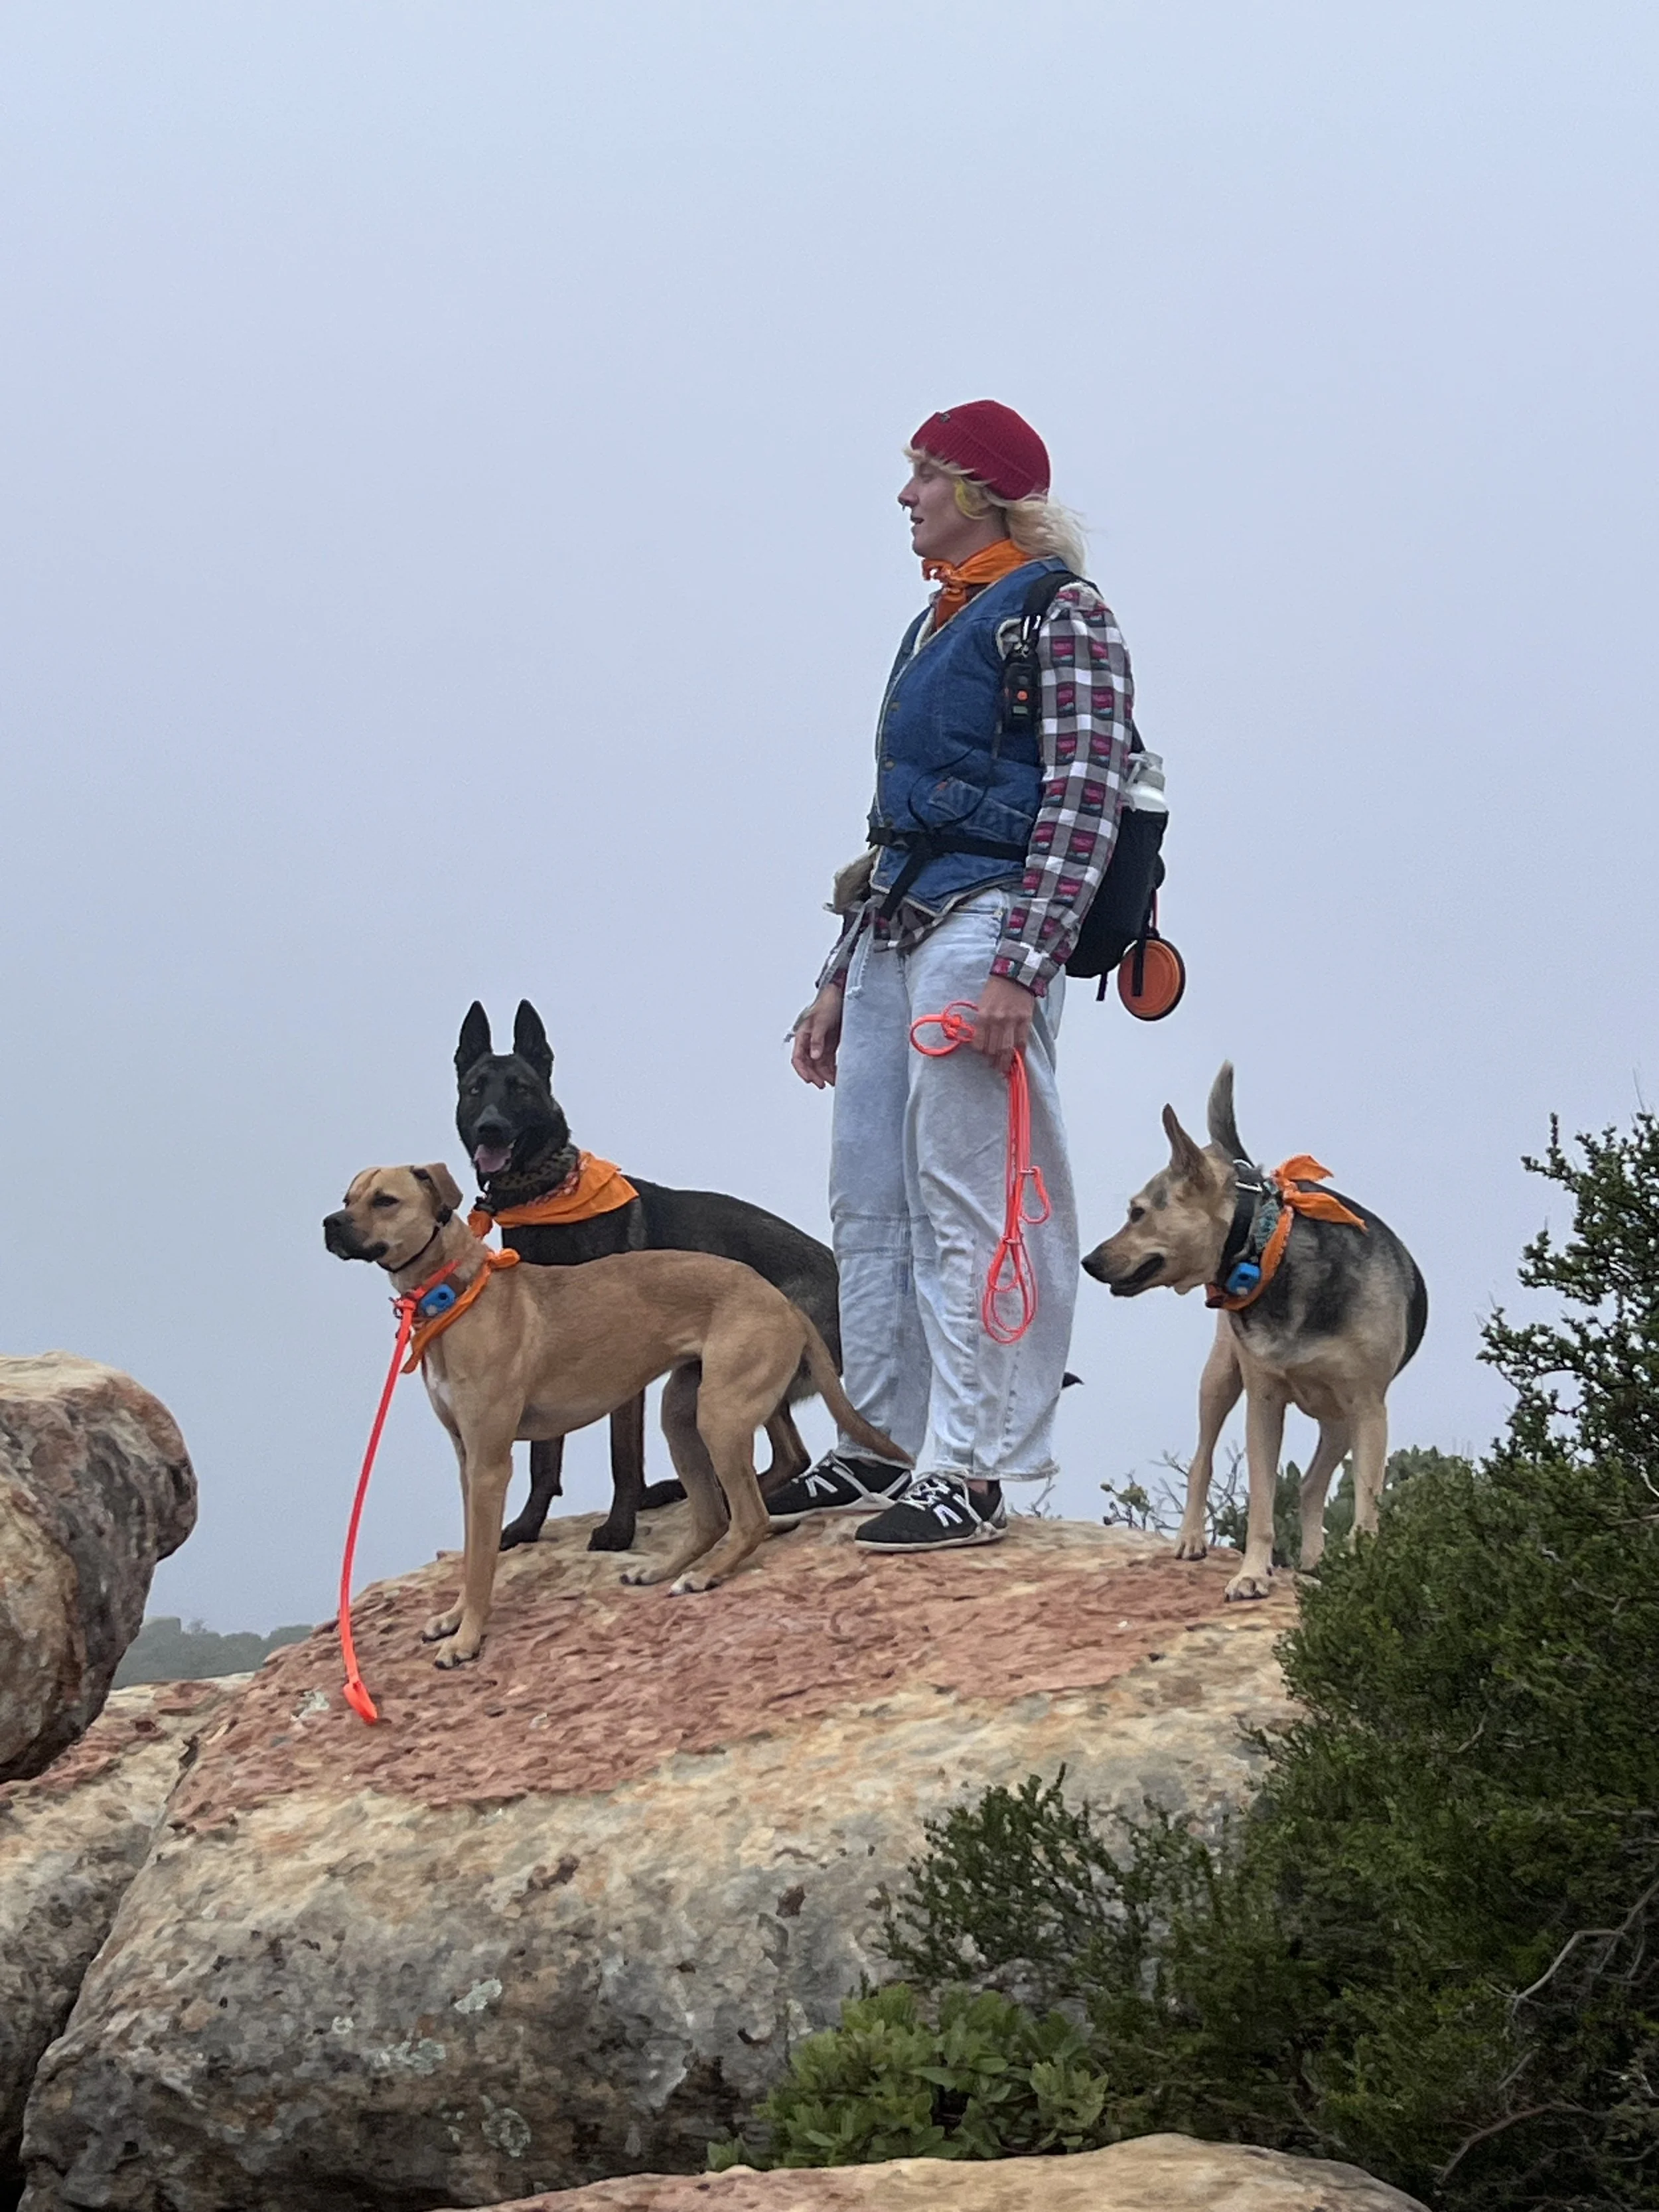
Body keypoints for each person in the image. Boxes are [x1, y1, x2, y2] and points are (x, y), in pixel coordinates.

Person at [774, 400, 1134, 1553]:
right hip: (896, 925)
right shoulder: (936, 622)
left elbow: (1086, 791)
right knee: (868, 1194)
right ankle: (877, 1444)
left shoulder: (1063, 612)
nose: (906, 495)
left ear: (981, 490)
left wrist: (1025, 964)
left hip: (988, 923)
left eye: (925, 474)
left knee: (970, 1195)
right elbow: (891, 824)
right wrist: (836, 973)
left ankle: (971, 1471)